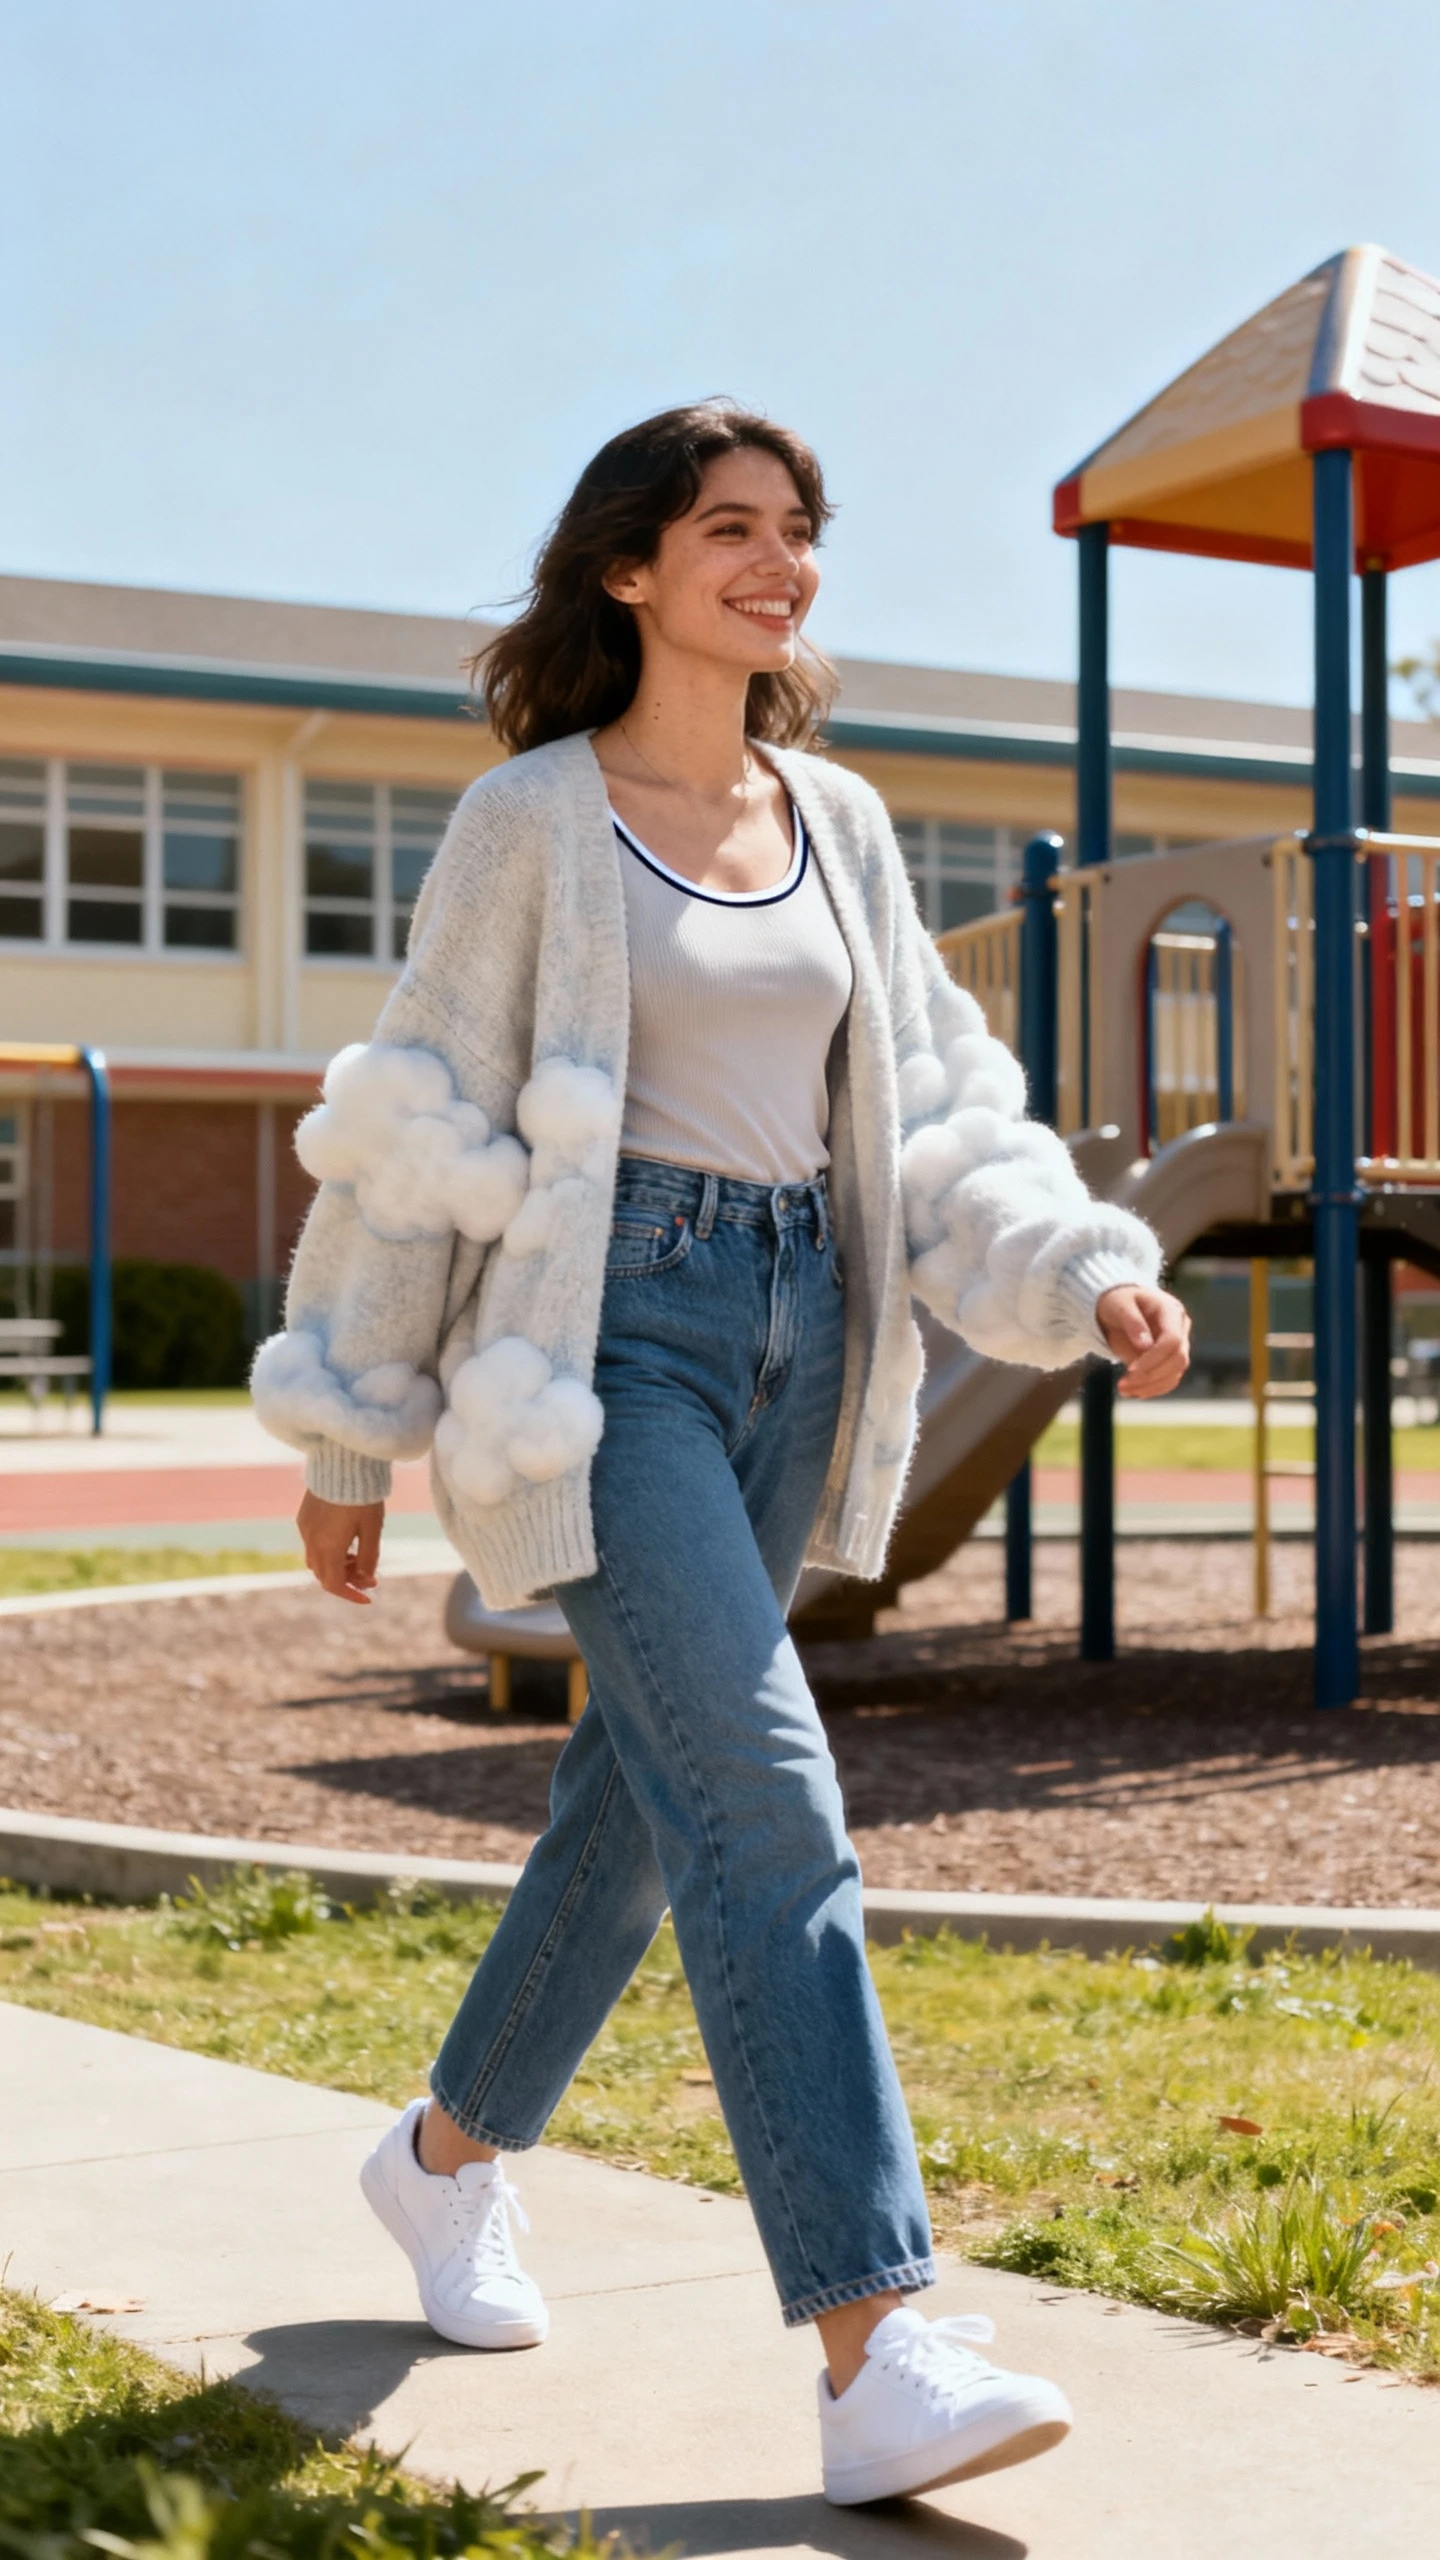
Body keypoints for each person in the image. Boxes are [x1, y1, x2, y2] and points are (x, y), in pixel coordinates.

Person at [254, 402, 1189, 2509]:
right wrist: (349, 1423)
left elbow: (942, 1116)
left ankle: (439, 2161)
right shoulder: (532, 822)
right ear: (629, 571)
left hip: (809, 1336)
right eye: (731, 530)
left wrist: (1077, 1264)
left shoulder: (842, 822)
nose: (780, 563)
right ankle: (877, 2343)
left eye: (799, 532)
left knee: (649, 1802)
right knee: (768, 1795)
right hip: (613, 1349)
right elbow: (426, 1123)